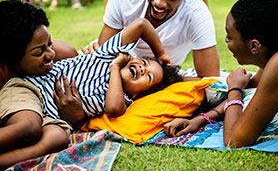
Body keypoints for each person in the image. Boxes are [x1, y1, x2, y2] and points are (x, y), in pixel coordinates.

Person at [164, 0, 278, 149]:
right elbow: (248, 90)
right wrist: (200, 120)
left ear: (254, 46)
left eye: (229, 36)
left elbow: (234, 141)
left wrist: (234, 88)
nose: (226, 40)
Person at [24, 18, 182, 129]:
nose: (142, 69)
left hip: (44, 114)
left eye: (148, 76)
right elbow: (141, 24)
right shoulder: (109, 54)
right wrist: (160, 53)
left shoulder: (123, 99)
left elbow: (113, 109)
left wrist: (115, 68)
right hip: (34, 81)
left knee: (51, 136)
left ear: (138, 95)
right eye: (144, 63)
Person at [82, 0, 220, 78]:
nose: (159, 3)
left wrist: (162, 78)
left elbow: (210, 80)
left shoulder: (196, 14)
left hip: (164, 76)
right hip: (123, 69)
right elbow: (101, 62)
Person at [0, 0, 75, 169]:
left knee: (56, 136)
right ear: (11, 57)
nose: (51, 54)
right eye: (39, 51)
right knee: (29, 127)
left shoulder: (56, 53)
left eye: (49, 43)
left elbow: (70, 54)